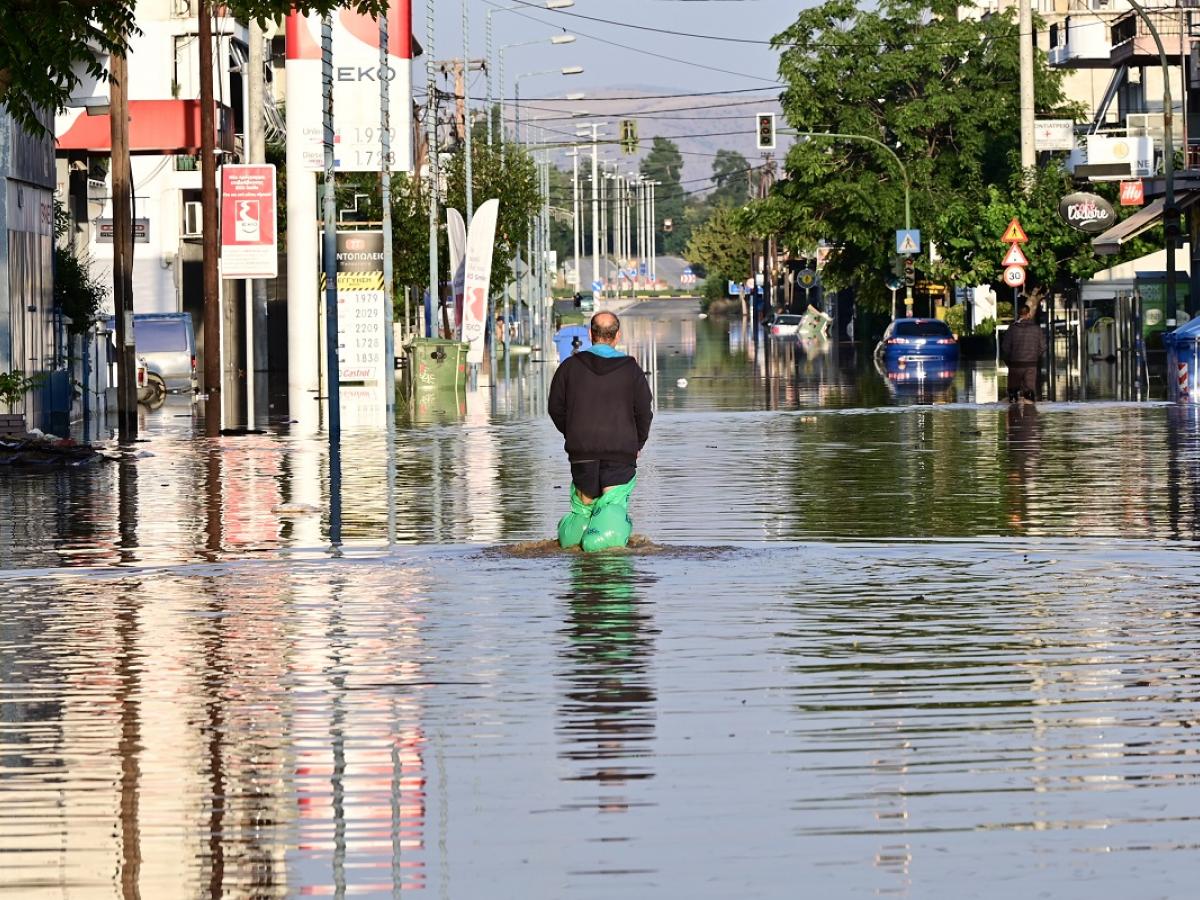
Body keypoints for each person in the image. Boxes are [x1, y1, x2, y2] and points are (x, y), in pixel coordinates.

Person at [548, 311, 653, 551]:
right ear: (617, 336)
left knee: (585, 509)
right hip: (620, 452)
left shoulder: (569, 367)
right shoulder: (631, 370)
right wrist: (637, 443)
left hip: (581, 452)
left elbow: (555, 408)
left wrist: (574, 434)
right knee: (611, 508)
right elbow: (644, 412)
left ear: (590, 335)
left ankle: (578, 549)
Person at [1000, 303, 1046, 403]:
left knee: (1012, 394)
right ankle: (1029, 415)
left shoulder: (1012, 329)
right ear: (1029, 314)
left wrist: (1010, 362)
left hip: (1015, 364)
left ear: (1018, 314)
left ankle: (1013, 414)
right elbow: (1043, 347)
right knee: (1029, 393)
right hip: (1031, 365)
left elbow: (1005, 347)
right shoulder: (1036, 329)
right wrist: (1034, 357)